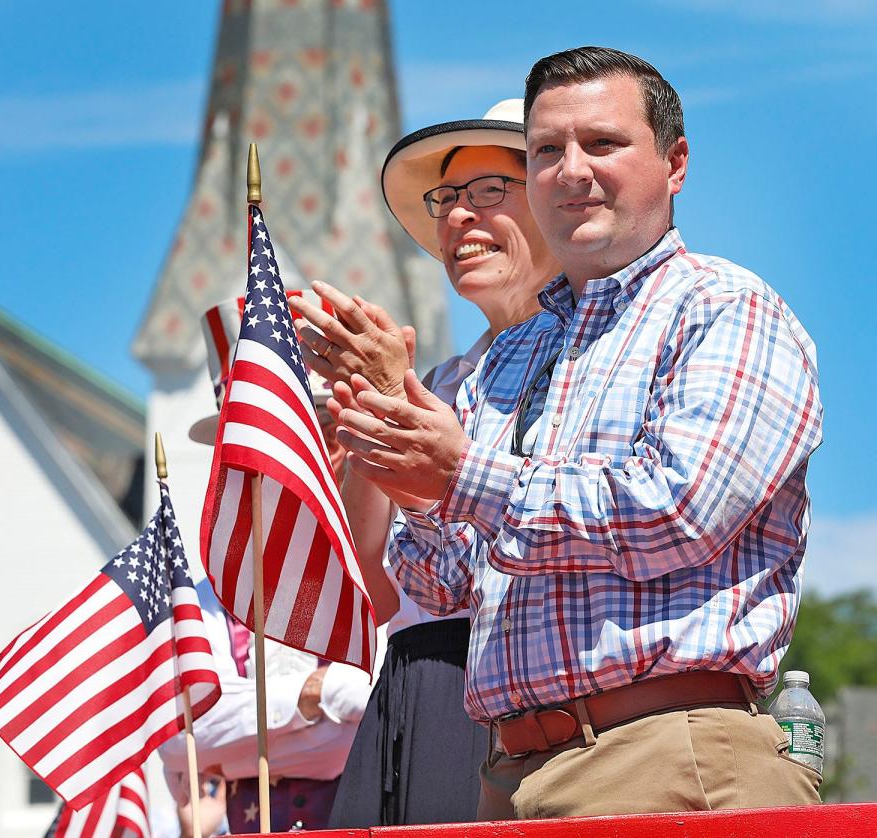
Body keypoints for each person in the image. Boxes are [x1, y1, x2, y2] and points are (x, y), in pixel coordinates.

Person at [330, 47, 824, 820]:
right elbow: (442, 584)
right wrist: (415, 482)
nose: (570, 169)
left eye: (602, 143)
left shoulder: (725, 307)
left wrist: (459, 475)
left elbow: (676, 510)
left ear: (675, 163)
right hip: (512, 770)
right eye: (546, 151)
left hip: (668, 749)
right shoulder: (511, 357)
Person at [288, 99, 561, 825]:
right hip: (421, 676)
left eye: (486, 191)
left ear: (554, 198)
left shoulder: (594, 358)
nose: (458, 217)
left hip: (520, 683)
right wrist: (371, 411)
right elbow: (376, 578)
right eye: (446, 199)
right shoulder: (443, 381)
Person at [158, 297, 374, 833]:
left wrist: (257, 732)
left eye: (308, 433)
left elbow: (373, 725)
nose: (278, 461)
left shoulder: (385, 572)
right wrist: (316, 694)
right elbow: (184, 732)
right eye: (255, 442)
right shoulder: (213, 595)